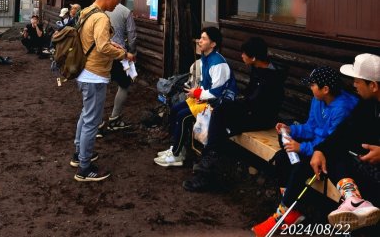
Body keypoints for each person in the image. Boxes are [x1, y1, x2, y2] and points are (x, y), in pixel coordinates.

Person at [252, 66, 359, 236]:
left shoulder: (342, 109)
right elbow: (311, 127)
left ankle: (282, 213)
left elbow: (331, 143)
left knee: (299, 167)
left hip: (331, 154)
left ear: (325, 89)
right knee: (282, 156)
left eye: (313, 85)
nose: (310, 87)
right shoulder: (318, 100)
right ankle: (290, 209)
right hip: (316, 145)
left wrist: (301, 148)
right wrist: (291, 130)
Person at [183, 36, 286, 192]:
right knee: (219, 121)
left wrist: (233, 105)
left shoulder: (270, 79)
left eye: (244, 54)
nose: (241, 56)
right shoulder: (259, 68)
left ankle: (207, 171)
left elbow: (256, 105)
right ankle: (210, 169)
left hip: (262, 119)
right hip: (251, 112)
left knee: (219, 122)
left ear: (254, 57)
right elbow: (249, 97)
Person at [72, 0, 135, 182]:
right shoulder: (101, 18)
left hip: (84, 71)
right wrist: (124, 54)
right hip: (95, 74)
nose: (118, 3)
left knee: (86, 115)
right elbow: (102, 46)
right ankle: (85, 167)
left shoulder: (86, 11)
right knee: (92, 121)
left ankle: (78, 154)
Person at [310, 53, 380, 232]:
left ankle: (355, 203)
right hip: (370, 168)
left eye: (357, 81)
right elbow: (346, 131)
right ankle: (354, 200)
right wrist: (320, 150)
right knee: (333, 154)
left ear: (372, 85)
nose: (354, 85)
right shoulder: (368, 104)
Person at [154, 27, 237, 168]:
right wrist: (197, 93)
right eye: (200, 37)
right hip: (205, 98)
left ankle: (176, 155)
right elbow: (206, 85)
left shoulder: (218, 63)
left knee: (183, 116)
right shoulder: (206, 58)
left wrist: (197, 93)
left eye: (204, 38)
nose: (199, 41)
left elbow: (217, 93)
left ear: (213, 44)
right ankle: (177, 147)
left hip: (218, 104)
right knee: (175, 109)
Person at [98, 0, 137, 134]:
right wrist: (132, 51)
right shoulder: (126, 11)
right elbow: (132, 35)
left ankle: (96, 122)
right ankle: (114, 118)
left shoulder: (98, 10)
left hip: (101, 54)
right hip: (119, 54)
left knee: (99, 86)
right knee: (124, 84)